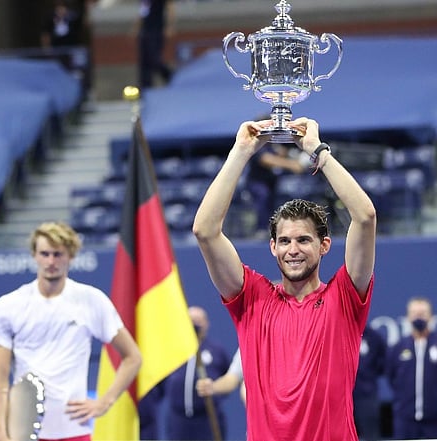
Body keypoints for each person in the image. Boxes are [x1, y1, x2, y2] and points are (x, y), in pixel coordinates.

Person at [192, 117, 377, 441]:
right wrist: (241, 151)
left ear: (324, 246)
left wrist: (318, 152)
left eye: (304, 240)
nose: (294, 250)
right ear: (273, 247)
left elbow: (365, 217)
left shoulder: (345, 298)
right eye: (286, 241)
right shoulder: (251, 298)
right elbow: (205, 231)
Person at [0, 221, 142, 441]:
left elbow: (133, 357)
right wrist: (0, 433)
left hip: (74, 431)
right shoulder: (9, 304)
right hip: (23, 431)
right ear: (34, 255)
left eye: (58, 254)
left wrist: (104, 402)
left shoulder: (92, 300)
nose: (51, 261)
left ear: (71, 256)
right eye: (45, 254)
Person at [385, 297, 437, 440]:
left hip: (436, 420)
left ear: (431, 316)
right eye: (414, 313)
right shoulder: (398, 347)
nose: (418, 317)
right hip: (405, 420)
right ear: (408, 317)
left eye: (422, 313)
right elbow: (391, 377)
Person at [160, 305, 231, 440]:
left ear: (207, 323)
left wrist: (215, 391)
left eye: (199, 321)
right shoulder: (173, 350)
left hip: (207, 418)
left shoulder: (216, 350)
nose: (195, 325)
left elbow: (228, 376)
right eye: (191, 320)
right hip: (178, 419)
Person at [246, 142, 307, 238]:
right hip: (257, 183)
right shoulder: (258, 144)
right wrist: (291, 164)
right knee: (263, 196)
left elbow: (282, 153)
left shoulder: (275, 145)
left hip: (272, 183)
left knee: (278, 202)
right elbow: (265, 159)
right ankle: (261, 229)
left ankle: (276, 229)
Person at [354, 325, 387, 441]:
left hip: (366, 395)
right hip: (339, 396)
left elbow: (383, 362)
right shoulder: (335, 332)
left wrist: (367, 376)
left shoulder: (373, 337)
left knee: (371, 435)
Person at [136, 0, 174, 89]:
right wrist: (137, 28)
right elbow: (143, 12)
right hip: (145, 30)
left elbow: (170, 7)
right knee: (144, 61)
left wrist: (169, 26)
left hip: (156, 30)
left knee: (154, 58)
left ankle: (170, 75)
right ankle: (146, 87)